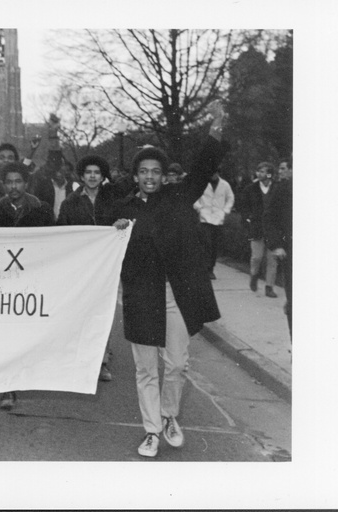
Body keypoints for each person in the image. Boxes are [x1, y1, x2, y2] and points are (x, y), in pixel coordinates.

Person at [107, 102, 225, 458]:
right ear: (135, 175)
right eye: (143, 171)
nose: (149, 177)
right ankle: (151, 431)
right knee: (145, 369)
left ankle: (170, 416)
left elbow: (204, 168)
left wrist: (216, 128)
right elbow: (107, 251)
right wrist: (115, 233)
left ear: (163, 175)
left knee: (176, 364)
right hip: (141, 297)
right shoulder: (124, 210)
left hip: (175, 296)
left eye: (156, 171)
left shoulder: (177, 198)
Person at [0, 161, 54, 410]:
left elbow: (53, 243)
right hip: (3, 280)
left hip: (30, 279)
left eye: (18, 182)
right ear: (3, 184)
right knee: (4, 333)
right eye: (9, 182)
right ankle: (7, 387)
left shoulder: (41, 209)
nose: (14, 186)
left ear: (26, 183)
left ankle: (25, 376)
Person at [56, 154, 124, 382]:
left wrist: (122, 224)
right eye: (88, 173)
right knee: (82, 313)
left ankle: (101, 361)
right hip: (81, 268)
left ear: (103, 176)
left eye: (97, 172)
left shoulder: (114, 200)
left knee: (103, 314)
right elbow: (62, 234)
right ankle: (80, 359)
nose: (93, 176)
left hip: (107, 267)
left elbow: (126, 224)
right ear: (82, 176)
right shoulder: (70, 203)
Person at [240, 162, 279, 297]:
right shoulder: (251, 189)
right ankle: (254, 275)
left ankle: (269, 287)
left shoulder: (276, 189)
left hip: (273, 229)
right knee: (256, 257)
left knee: (272, 259)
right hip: (256, 228)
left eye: (263, 172)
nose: (260, 174)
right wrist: (247, 220)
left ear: (269, 174)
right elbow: (244, 208)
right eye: (259, 171)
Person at [264, 158, 292, 337]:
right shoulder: (282, 190)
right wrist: (277, 245)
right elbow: (269, 218)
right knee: (295, 299)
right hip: (291, 251)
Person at [193, 170, 235, 279]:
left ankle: (210, 268)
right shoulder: (202, 183)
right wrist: (199, 208)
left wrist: (225, 210)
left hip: (218, 218)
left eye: (215, 172)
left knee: (214, 245)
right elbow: (194, 196)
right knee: (206, 243)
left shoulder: (225, 185)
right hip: (204, 217)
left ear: (218, 173)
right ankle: (204, 268)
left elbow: (230, 198)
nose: (213, 174)